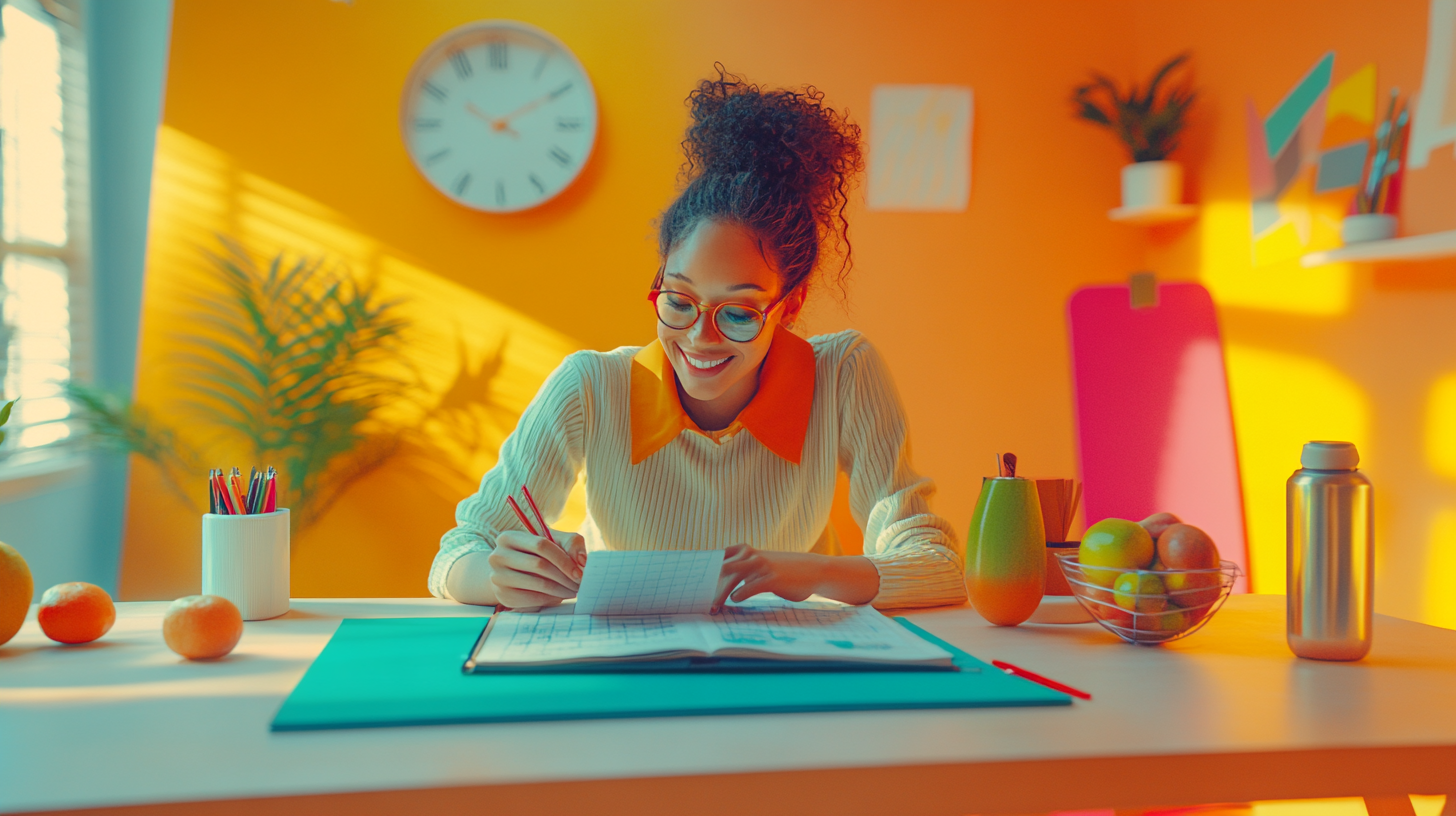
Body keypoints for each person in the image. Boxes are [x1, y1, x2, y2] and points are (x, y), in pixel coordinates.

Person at [431, 67, 967, 612]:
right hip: (633, 672)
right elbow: (457, 555)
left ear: (792, 304)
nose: (699, 337)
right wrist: (499, 578)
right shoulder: (591, 387)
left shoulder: (842, 375)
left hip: (780, 675)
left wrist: (808, 572)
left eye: (737, 313)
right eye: (680, 301)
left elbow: (939, 568)